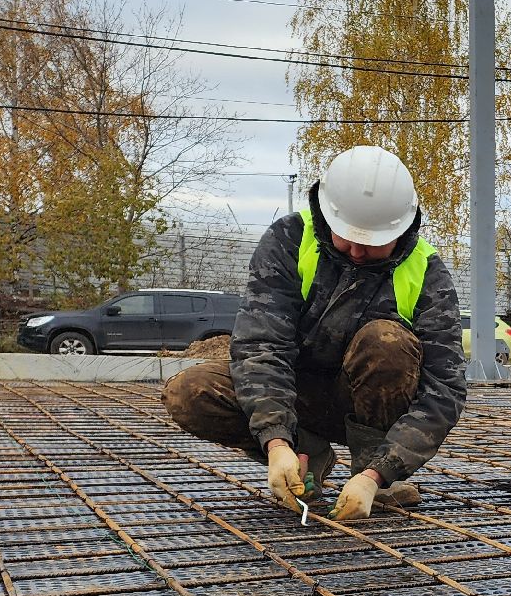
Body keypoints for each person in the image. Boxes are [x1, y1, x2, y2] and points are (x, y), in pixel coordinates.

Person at [164, 145, 465, 521]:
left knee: (386, 342)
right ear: (326, 213)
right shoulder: (290, 240)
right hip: (296, 394)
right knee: (190, 391)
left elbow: (444, 389)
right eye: (347, 236)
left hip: (365, 406)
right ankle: (308, 456)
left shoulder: (427, 272)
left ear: (402, 229)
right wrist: (276, 441)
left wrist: (380, 471)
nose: (356, 250)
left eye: (371, 242)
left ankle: (370, 477)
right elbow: (262, 346)